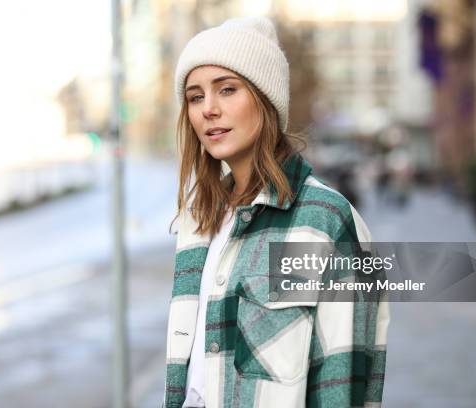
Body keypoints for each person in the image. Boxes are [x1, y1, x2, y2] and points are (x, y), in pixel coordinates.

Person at [163, 16, 389, 408]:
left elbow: (342, 384)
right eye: (196, 96)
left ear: (265, 100)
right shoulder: (198, 223)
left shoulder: (323, 223)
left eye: (227, 89)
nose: (209, 110)